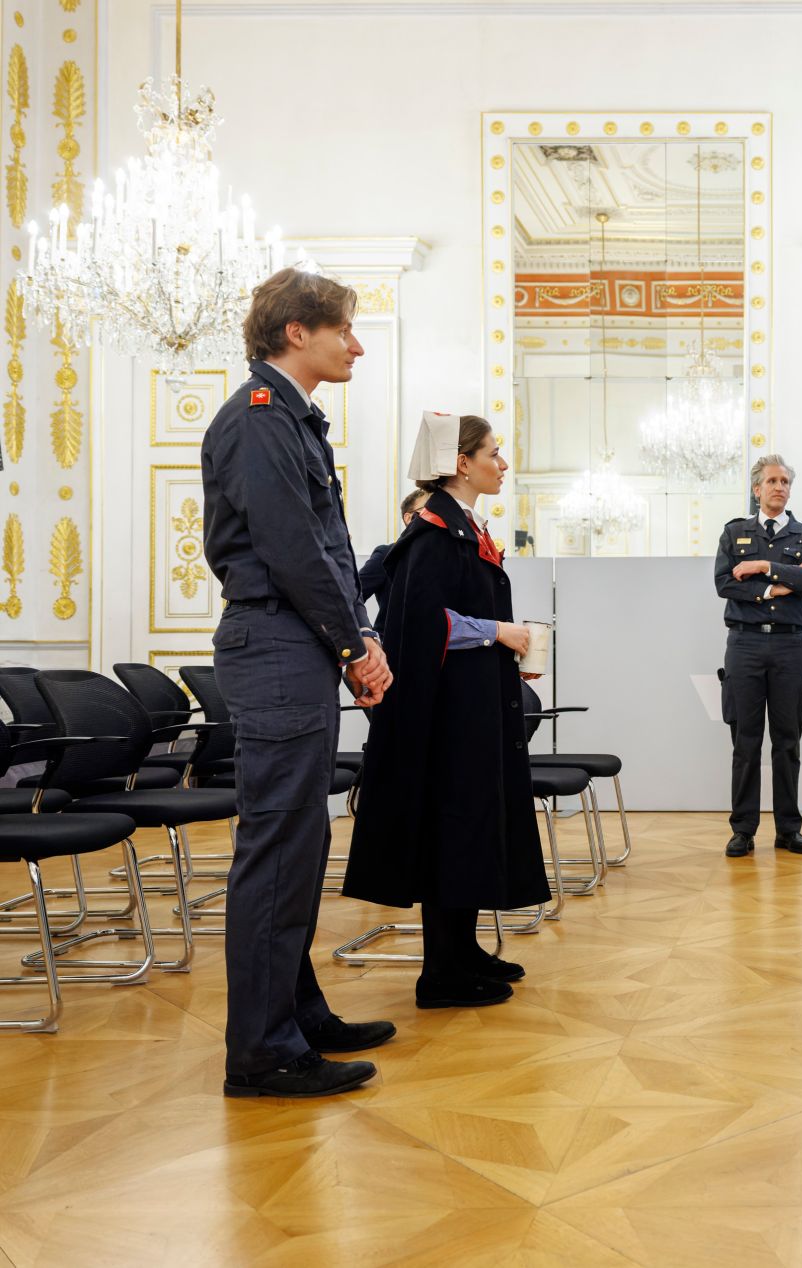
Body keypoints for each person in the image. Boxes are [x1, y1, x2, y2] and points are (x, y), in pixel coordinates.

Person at [203, 268, 395, 1099]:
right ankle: (262, 1051)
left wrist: (362, 635)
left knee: (299, 843)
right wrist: (355, 646)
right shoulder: (257, 421)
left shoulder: (290, 419)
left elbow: (329, 551)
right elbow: (291, 551)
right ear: (296, 333)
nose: (355, 346)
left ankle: (296, 1013)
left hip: (297, 645)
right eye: (344, 330)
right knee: (278, 848)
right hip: (278, 642)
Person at [345, 413, 551, 1008]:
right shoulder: (433, 533)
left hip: (470, 708)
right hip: (447, 718)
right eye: (494, 452)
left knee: (471, 827)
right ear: (462, 463)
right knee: (452, 827)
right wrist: (499, 632)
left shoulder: (461, 530)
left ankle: (462, 951)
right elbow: (423, 621)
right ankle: (441, 973)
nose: (502, 464)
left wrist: (501, 641)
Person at [713, 454, 802, 858]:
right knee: (745, 741)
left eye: (785, 481)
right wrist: (773, 589)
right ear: (757, 489)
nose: (779, 487)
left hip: (790, 646)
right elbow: (724, 583)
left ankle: (788, 829)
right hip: (744, 644)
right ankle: (742, 830)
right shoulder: (735, 532)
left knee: (787, 741)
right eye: (772, 481)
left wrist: (762, 566)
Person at [358, 489, 430, 608]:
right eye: (426, 509)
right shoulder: (385, 554)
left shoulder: (442, 556)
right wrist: (364, 626)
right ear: (408, 518)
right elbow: (353, 598)